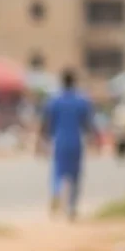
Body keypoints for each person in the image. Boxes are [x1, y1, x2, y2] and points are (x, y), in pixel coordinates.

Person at [40, 69, 97, 220]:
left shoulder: (54, 101)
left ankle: (56, 193)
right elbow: (88, 124)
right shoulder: (82, 101)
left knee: (58, 173)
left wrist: (42, 141)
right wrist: (95, 140)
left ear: (62, 82)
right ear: (74, 82)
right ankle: (72, 207)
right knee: (75, 176)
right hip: (76, 141)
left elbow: (46, 123)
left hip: (59, 141)